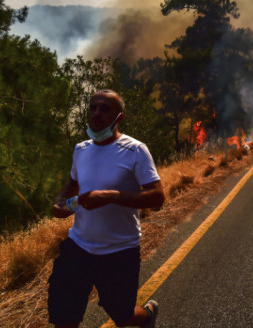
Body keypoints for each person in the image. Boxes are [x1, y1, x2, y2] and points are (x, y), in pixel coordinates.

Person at [48, 89, 165, 328]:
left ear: (119, 117)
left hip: (119, 251)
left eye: (105, 108)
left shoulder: (135, 150)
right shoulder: (81, 149)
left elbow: (157, 196)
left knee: (122, 316)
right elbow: (73, 183)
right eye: (93, 107)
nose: (97, 113)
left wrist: (111, 196)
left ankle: (147, 317)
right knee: (63, 318)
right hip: (78, 247)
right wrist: (61, 201)